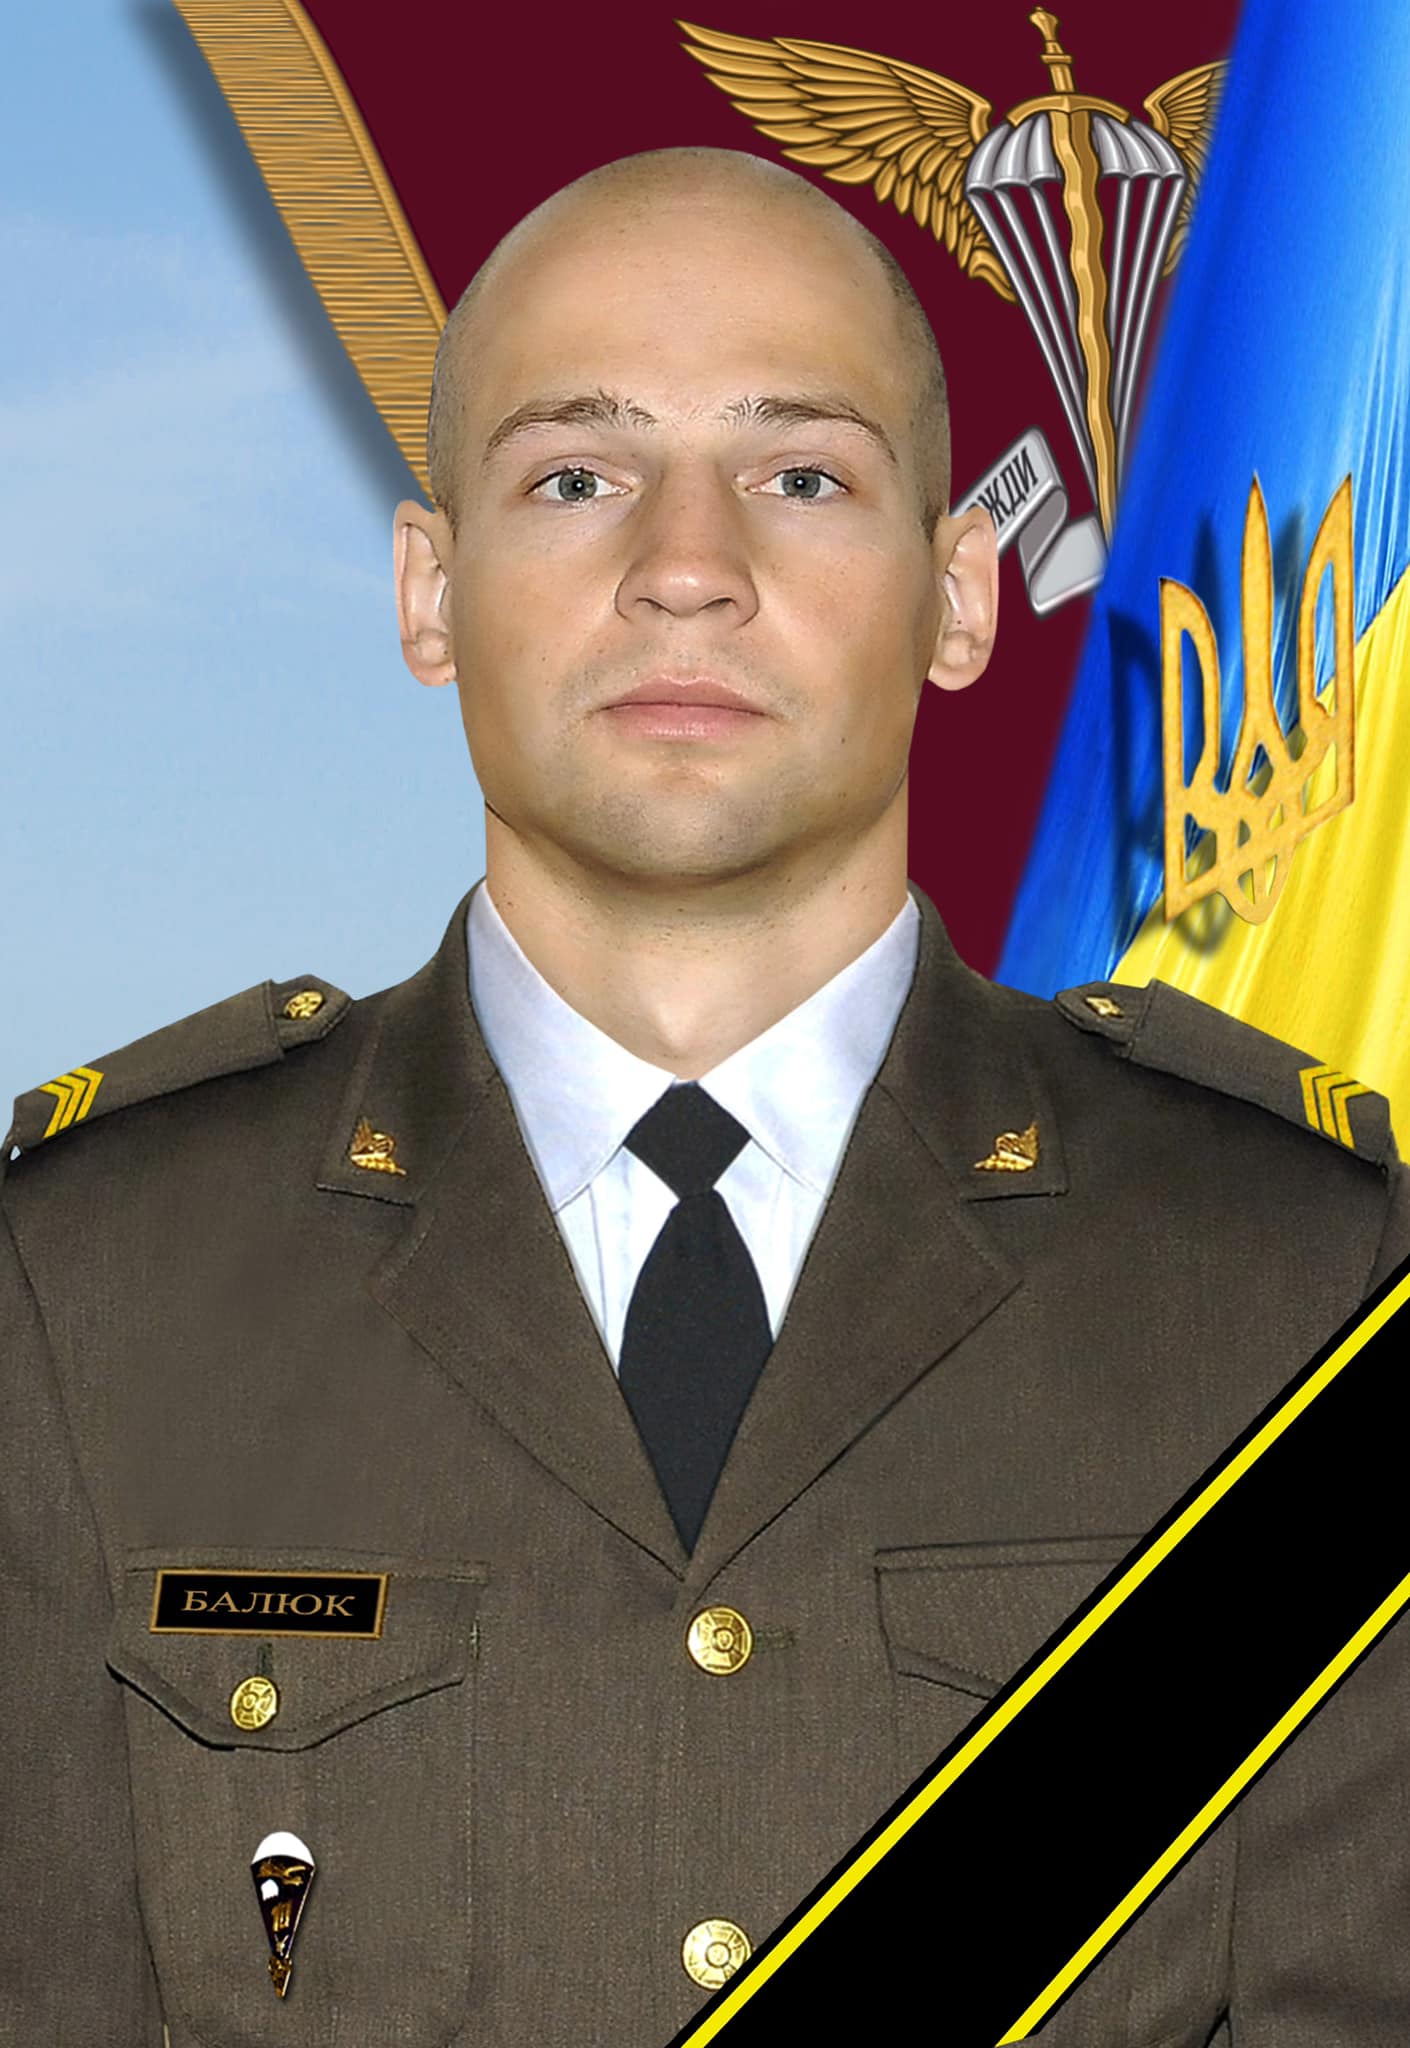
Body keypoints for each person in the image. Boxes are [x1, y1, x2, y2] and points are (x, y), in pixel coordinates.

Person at [2, 146, 1406, 2047]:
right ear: (430, 592)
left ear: (958, 597)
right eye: (574, 476)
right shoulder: (83, 1285)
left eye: (799, 476)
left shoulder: (1299, 1277)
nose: (684, 566)